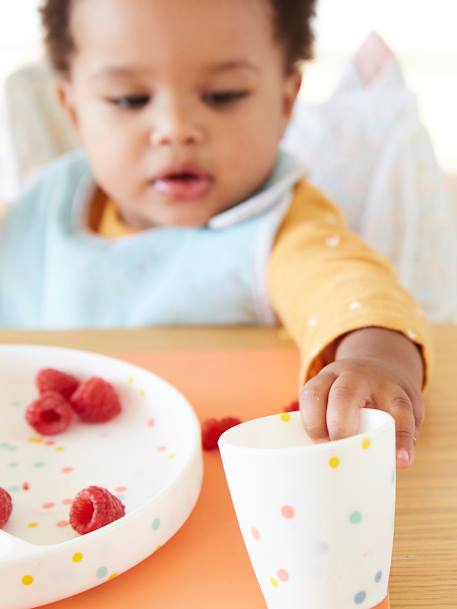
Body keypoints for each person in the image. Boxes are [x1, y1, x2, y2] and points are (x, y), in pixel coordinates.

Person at [0, 0, 431, 468]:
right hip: (44, 471)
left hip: (216, 480)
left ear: (286, 103)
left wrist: (377, 362)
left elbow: (353, 292)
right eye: (130, 99)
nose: (176, 129)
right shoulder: (42, 206)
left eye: (222, 95)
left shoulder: (280, 226)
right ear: (73, 110)